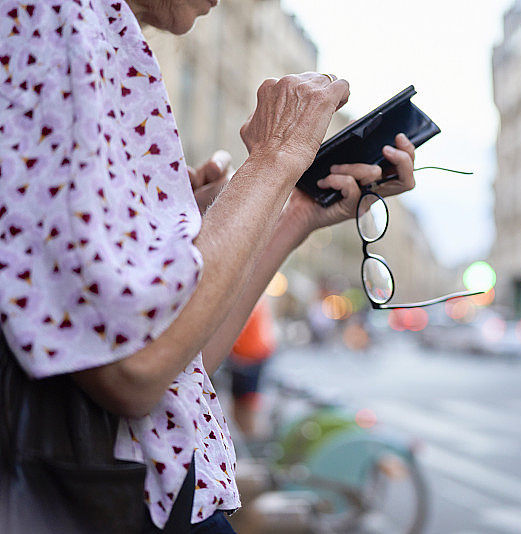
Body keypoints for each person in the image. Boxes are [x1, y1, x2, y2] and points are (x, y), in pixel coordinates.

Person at [0, 0, 416, 531]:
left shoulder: (100, 28)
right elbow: (137, 370)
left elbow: (179, 361)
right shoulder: (57, 16)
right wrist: (277, 156)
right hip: (117, 504)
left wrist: (294, 212)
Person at [228, 296, 276, 439]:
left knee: (246, 408)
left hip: (249, 359)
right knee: (241, 408)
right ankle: (251, 439)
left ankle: (252, 441)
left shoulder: (249, 302)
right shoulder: (255, 301)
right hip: (250, 357)